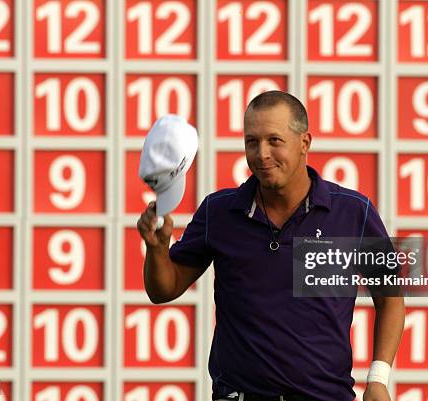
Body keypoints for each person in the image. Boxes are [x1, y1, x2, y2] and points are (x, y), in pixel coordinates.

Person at [137, 91, 405, 401]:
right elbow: (163, 289)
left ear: (305, 142)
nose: (261, 153)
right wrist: (157, 249)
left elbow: (391, 298)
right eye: (252, 141)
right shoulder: (218, 212)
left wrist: (378, 378)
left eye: (274, 141)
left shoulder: (353, 212)